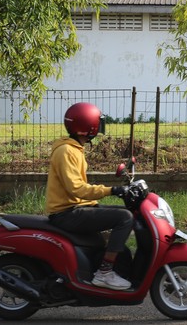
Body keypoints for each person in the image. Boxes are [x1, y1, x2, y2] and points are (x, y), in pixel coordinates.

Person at [46, 102, 133, 291]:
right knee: (125, 218)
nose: (100, 127)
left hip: (76, 208)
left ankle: (108, 267)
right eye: (97, 123)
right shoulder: (66, 151)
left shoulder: (74, 149)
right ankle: (104, 272)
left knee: (126, 213)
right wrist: (111, 190)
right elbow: (76, 189)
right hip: (66, 213)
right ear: (88, 127)